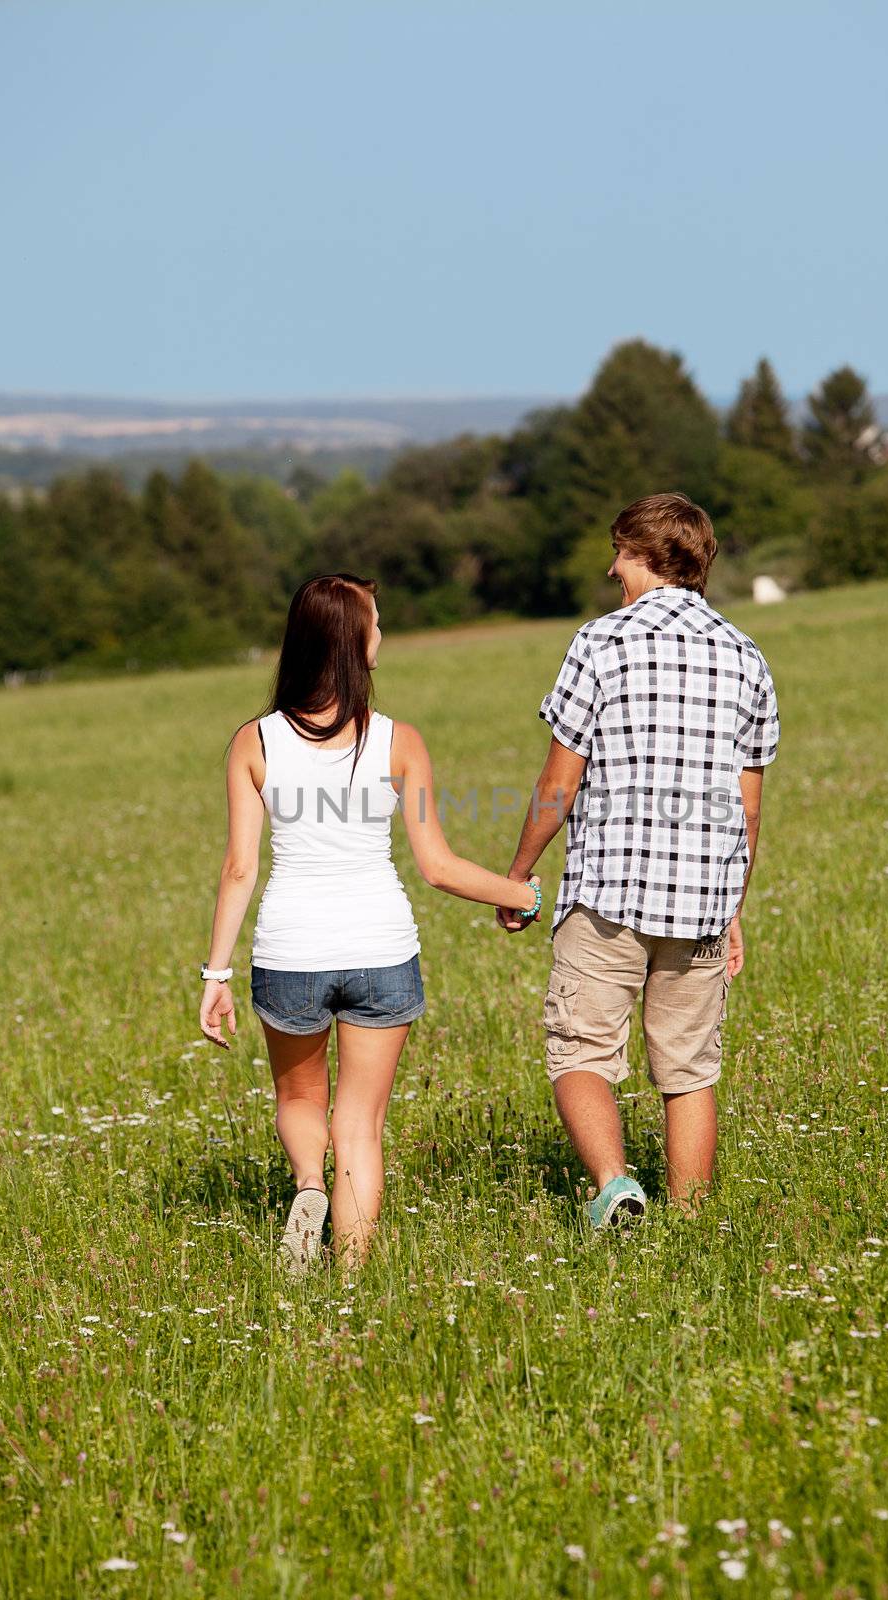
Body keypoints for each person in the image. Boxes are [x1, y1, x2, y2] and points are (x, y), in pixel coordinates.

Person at [199, 573, 542, 1275]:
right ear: (354, 642)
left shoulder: (253, 742)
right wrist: (519, 893)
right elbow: (439, 866)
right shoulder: (397, 743)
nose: (381, 633)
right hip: (381, 951)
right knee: (360, 1123)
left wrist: (216, 973)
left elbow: (240, 867)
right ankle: (352, 1277)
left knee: (298, 1097)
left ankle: (307, 1188)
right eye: (376, 623)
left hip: (290, 951)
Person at [498, 493, 780, 1226]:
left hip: (608, 895)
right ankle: (689, 1222)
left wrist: (520, 870)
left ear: (647, 557)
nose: (612, 567)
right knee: (689, 1070)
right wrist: (734, 909)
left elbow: (560, 782)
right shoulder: (746, 655)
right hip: (702, 903)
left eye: (619, 553)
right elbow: (747, 808)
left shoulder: (600, 643)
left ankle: (615, 1184)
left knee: (581, 1052)